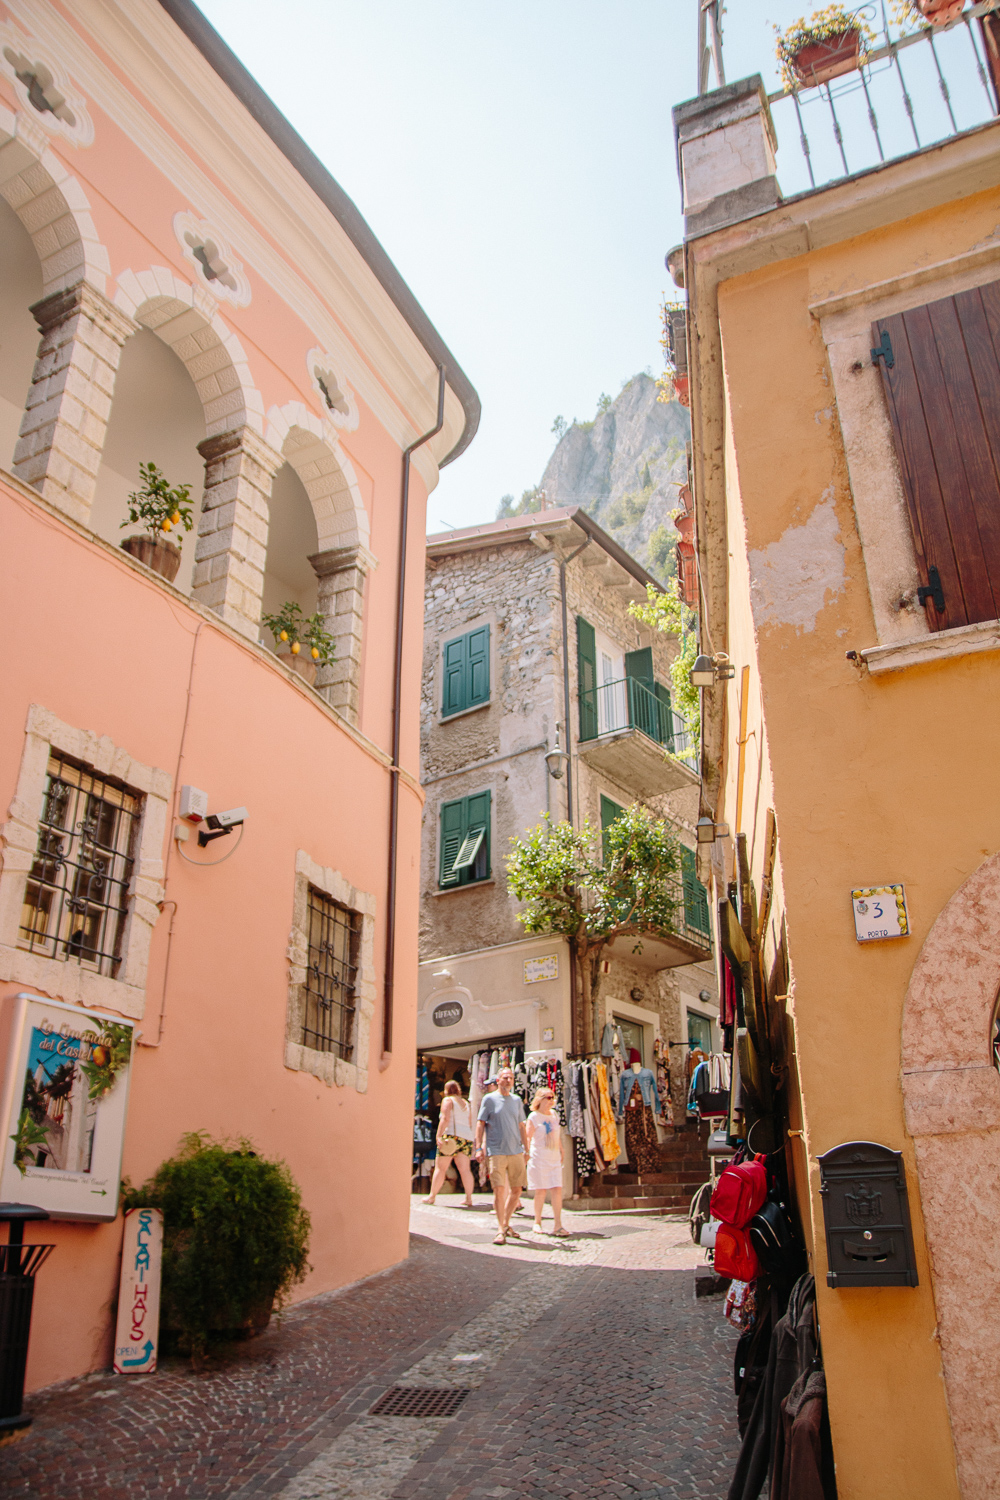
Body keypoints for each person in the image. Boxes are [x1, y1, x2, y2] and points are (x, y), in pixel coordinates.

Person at [475, 1066, 528, 1244]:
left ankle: (505, 1223)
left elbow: (522, 1126)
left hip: (516, 1151)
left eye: (510, 1078)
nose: (507, 1080)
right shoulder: (489, 1099)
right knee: (499, 1190)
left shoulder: (517, 1100)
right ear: (498, 1081)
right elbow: (480, 1123)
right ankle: (500, 1229)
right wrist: (478, 1147)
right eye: (504, 1077)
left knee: (517, 1190)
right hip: (496, 1151)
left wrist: (526, 1149)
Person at [526, 1087, 569, 1236]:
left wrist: (562, 1149)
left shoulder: (554, 1115)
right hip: (539, 1158)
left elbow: (557, 1134)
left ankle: (558, 1224)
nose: (551, 1100)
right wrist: (526, 1155)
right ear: (540, 1099)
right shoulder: (533, 1117)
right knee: (541, 1190)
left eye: (552, 1097)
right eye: (548, 1097)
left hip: (553, 1157)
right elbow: (527, 1137)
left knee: (557, 1189)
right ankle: (537, 1221)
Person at [426, 1079, 476, 1207]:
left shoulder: (447, 1100)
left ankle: (432, 1196)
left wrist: (439, 1135)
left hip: (451, 1137)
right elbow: (470, 1122)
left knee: (441, 1167)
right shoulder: (465, 1103)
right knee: (465, 1169)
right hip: (466, 1137)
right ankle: (469, 1198)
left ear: (446, 1090)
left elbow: (445, 1118)